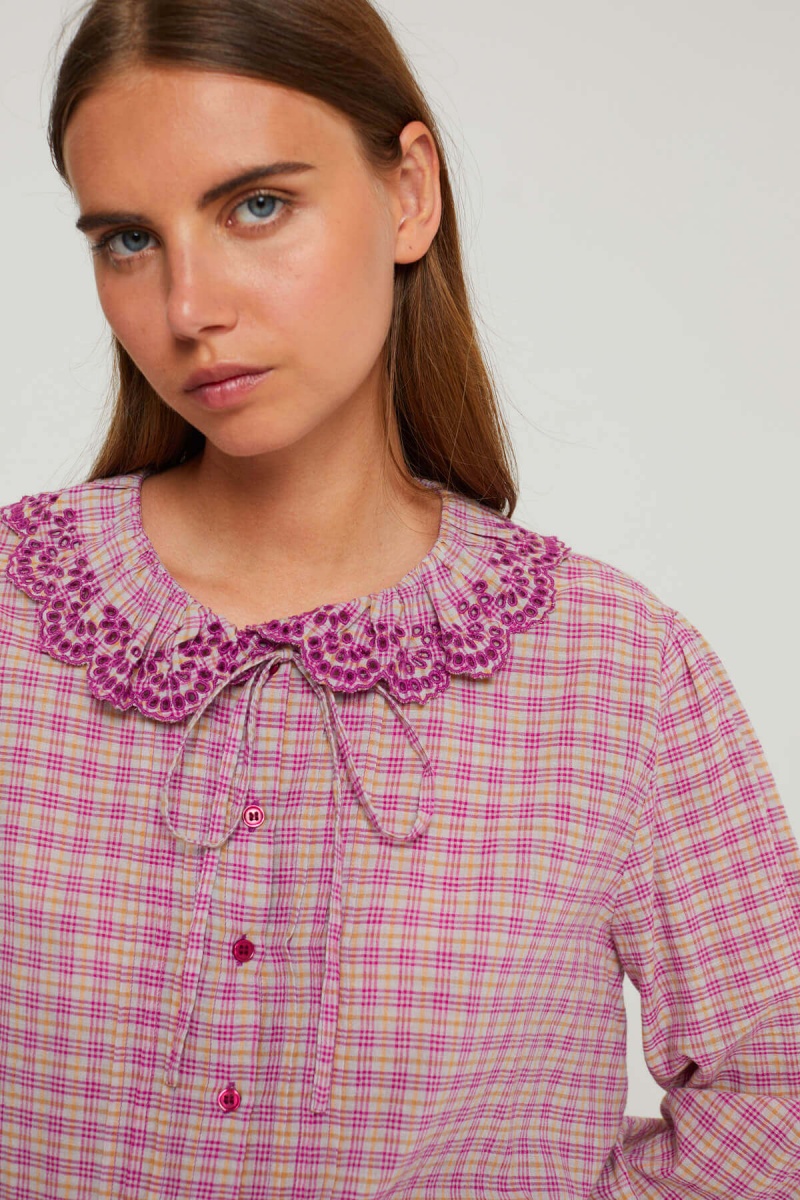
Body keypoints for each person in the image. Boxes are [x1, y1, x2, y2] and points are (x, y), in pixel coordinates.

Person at [1, 0, 798, 1196]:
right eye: (127, 239)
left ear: (408, 192)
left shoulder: (618, 675)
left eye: (255, 206)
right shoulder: (15, 621)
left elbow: (773, 1087)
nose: (188, 308)